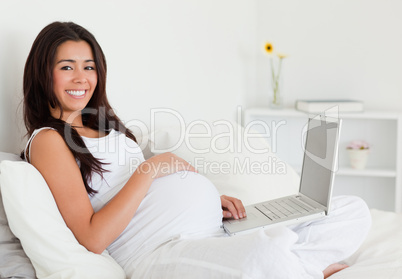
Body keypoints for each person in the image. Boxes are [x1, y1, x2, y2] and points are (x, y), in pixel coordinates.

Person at [22, 21, 371, 279]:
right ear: (43, 73)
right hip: (159, 252)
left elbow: (138, 192)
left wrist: (209, 200)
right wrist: (151, 168)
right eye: (67, 67)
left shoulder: (103, 125)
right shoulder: (49, 140)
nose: (81, 78)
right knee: (268, 252)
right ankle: (302, 265)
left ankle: (295, 264)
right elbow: (92, 237)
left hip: (213, 230)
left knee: (352, 211)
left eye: (89, 67)